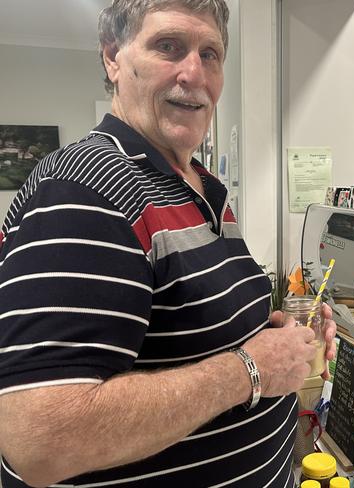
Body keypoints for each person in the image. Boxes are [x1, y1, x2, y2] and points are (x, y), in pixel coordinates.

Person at [0, 1, 336, 487]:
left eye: (210, 53)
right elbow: (40, 440)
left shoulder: (200, 184)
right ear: (113, 57)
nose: (194, 74)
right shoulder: (85, 190)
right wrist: (250, 369)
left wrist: (279, 336)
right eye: (169, 46)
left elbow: (186, 328)